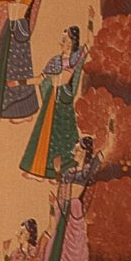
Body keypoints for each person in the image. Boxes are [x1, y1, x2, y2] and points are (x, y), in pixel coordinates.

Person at [19, 21, 92, 180]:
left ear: (72, 42)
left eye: (65, 40)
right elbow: (40, 79)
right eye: (62, 39)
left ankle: (60, 172)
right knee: (45, 136)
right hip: (52, 100)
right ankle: (40, 170)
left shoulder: (74, 60)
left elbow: (88, 44)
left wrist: (91, 22)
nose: (61, 43)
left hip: (63, 101)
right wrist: (20, 82)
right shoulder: (55, 61)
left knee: (62, 139)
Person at [35, 135, 98, 261]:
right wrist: (57, 173)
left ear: (85, 152)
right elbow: (62, 190)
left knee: (70, 256)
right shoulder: (69, 172)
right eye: (75, 149)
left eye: (77, 149)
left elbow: (102, 155)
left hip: (73, 213)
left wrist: (112, 133)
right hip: (61, 208)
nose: (73, 152)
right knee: (52, 249)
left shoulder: (86, 171)